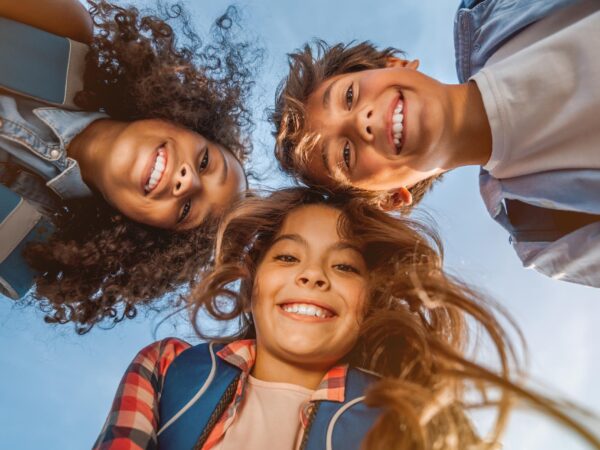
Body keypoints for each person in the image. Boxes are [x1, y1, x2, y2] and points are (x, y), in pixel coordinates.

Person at [93, 188, 600, 450]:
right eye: (288, 258)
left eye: (344, 266)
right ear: (252, 282)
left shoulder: (411, 416)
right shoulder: (168, 368)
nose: (314, 276)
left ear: (370, 301)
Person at [271, 0, 600, 288]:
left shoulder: (495, 8)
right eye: (345, 154)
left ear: (393, 63)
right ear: (388, 198)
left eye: (349, 96)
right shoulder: (545, 237)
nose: (361, 121)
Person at [0, 0, 257, 332]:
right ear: (184, 120)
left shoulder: (22, 248)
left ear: (145, 233)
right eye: (206, 161)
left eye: (186, 210)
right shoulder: (66, 34)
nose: (187, 180)